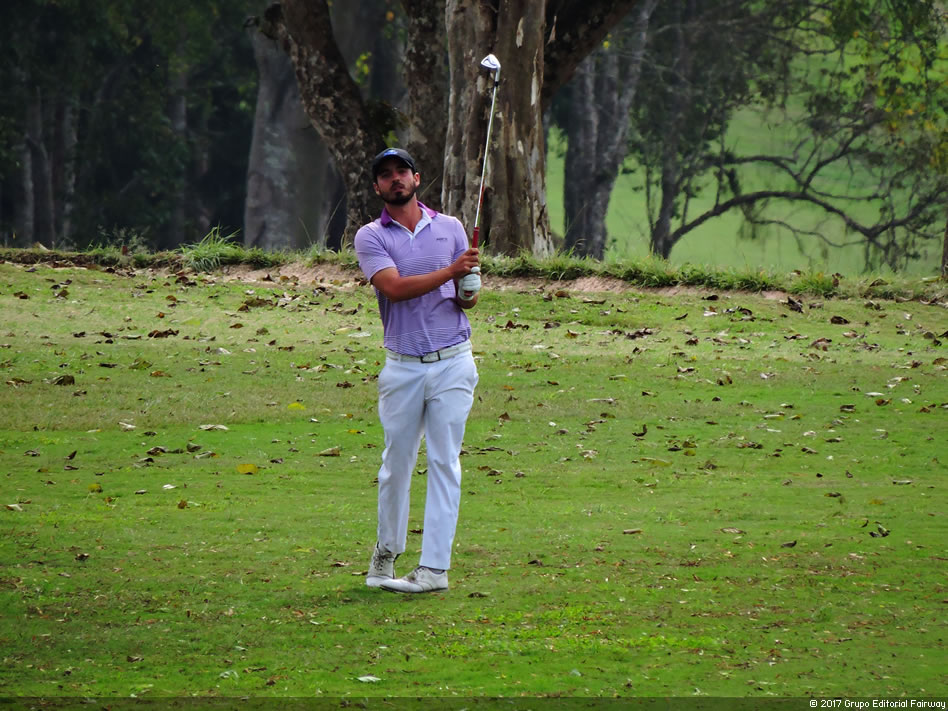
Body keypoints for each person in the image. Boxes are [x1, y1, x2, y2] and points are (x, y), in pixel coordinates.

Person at [354, 147, 482, 593]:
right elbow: (393, 288)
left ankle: (434, 570)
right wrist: (451, 271)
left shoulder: (451, 228)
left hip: (453, 361)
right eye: (385, 175)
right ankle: (386, 553)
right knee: (396, 466)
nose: (395, 179)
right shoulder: (371, 236)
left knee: (445, 462)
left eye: (402, 171)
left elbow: (465, 299)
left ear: (416, 178)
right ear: (377, 187)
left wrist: (468, 287)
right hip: (403, 366)